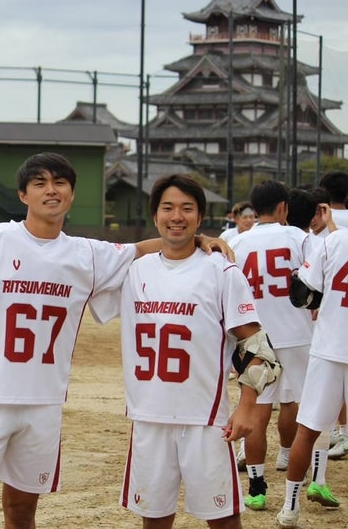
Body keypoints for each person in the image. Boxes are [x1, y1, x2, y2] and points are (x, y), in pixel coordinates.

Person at [0, 154, 232, 529]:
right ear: (23, 194)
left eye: (60, 183)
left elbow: (138, 249)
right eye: (39, 183)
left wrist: (196, 238)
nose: (51, 190)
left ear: (71, 194)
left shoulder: (85, 253)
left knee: (21, 512)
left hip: (44, 405)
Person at [102, 174, 279, 528]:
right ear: (155, 215)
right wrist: (199, 239)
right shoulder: (133, 272)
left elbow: (258, 347)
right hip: (149, 417)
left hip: (205, 420)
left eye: (187, 208)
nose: (176, 216)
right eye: (167, 208)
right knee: (154, 520)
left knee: (224, 520)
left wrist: (247, 407)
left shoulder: (222, 271)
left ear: (200, 216)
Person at [229, 180, 314, 511]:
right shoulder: (297, 236)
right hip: (297, 333)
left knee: (257, 410)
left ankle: (256, 486)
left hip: (255, 336)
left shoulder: (236, 241)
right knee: (307, 406)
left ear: (254, 208)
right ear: (283, 207)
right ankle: (308, 476)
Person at [277, 227, 348, 527]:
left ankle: (289, 508)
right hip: (327, 348)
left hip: (329, 346)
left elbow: (301, 292)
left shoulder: (335, 240)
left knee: (307, 431)